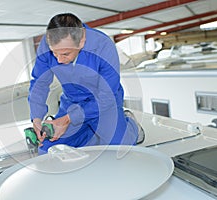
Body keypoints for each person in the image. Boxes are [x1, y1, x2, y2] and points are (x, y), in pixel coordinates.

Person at [28, 13, 142, 155]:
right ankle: (90, 131)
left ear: (81, 41)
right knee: (46, 149)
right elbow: (39, 83)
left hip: (103, 103)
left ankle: (130, 125)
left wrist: (69, 119)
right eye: (54, 53)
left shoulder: (104, 46)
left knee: (119, 149)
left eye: (65, 54)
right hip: (72, 102)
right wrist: (37, 117)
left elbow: (106, 96)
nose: (59, 60)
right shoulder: (47, 44)